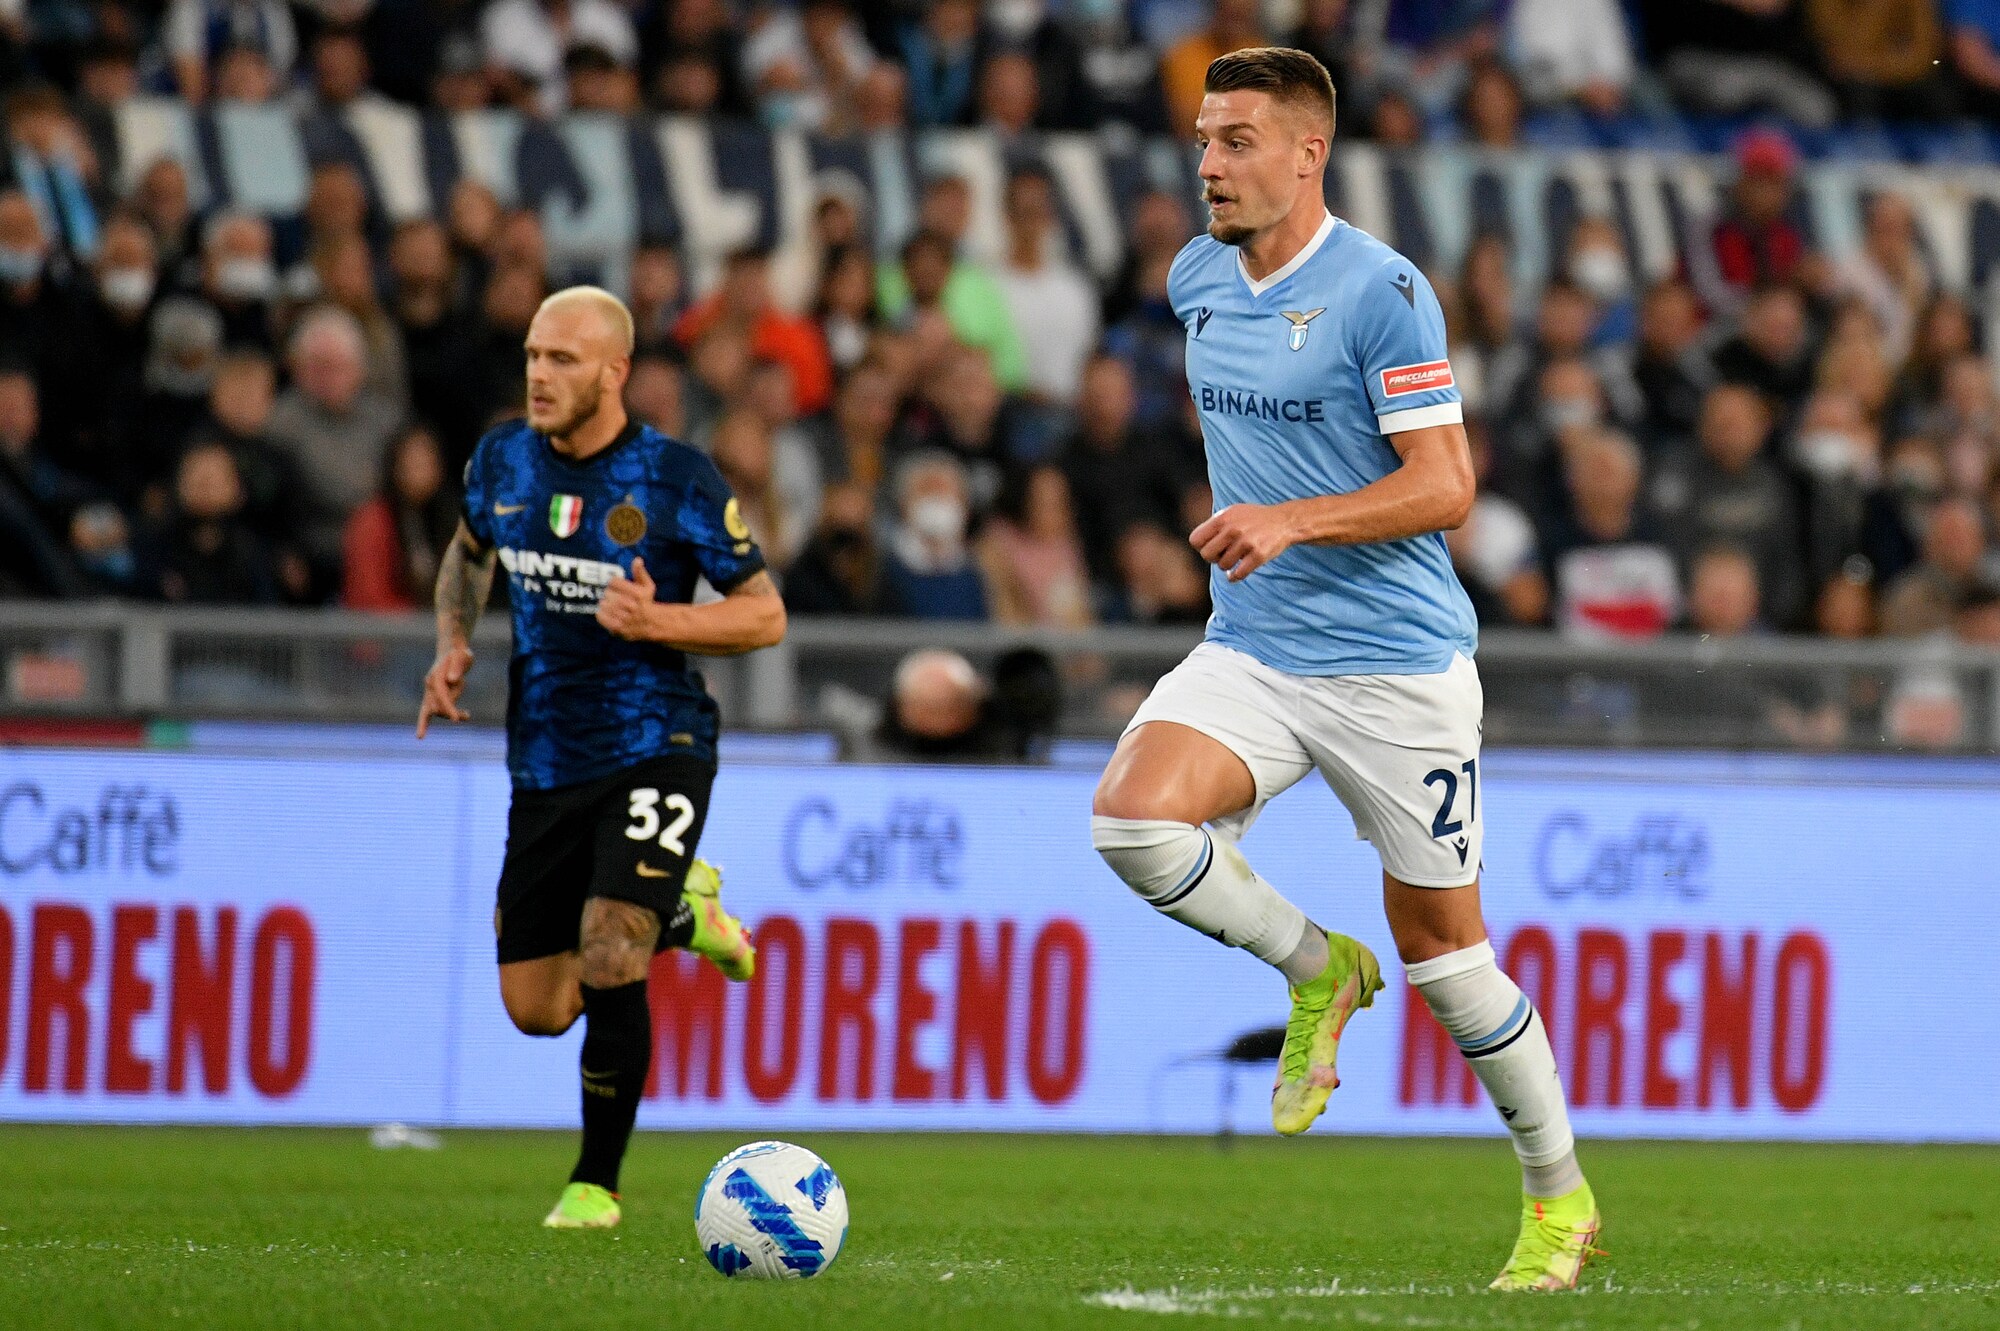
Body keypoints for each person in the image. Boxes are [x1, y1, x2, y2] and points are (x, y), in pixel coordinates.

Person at [1088, 48, 1596, 1292]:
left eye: (1237, 141)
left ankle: (1558, 1194)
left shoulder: (1382, 291)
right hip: (1254, 646)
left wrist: (1291, 518)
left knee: (1448, 960)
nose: (1209, 165)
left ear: (1307, 152)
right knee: (1131, 823)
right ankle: (1317, 966)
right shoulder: (1195, 276)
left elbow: (1445, 484)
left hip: (1393, 671)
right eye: (1203, 141)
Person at [415, 286, 784, 1230]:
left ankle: (595, 1185)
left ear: (615, 372)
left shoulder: (672, 477)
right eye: (534, 356)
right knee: (537, 1007)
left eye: (563, 360)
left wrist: (659, 621)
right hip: (544, 756)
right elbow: (469, 552)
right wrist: (451, 643)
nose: (540, 375)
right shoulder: (502, 458)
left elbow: (763, 614)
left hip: (657, 740)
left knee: (613, 947)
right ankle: (684, 911)